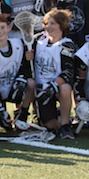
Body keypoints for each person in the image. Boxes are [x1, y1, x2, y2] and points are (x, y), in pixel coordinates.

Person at [0, 14, 36, 132]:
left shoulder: (18, 44)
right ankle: (0, 111)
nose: (0, 31)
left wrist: (22, 76)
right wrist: (0, 106)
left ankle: (23, 115)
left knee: (30, 83)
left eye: (2, 27)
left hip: (15, 86)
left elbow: (25, 67)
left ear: (8, 28)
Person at [32, 8, 77, 139]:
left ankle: (65, 124)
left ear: (61, 25)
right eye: (46, 23)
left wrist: (53, 86)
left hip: (56, 86)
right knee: (51, 126)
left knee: (65, 88)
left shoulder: (67, 45)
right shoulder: (38, 40)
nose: (48, 27)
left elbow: (68, 72)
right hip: (41, 89)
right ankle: (55, 115)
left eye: (52, 23)